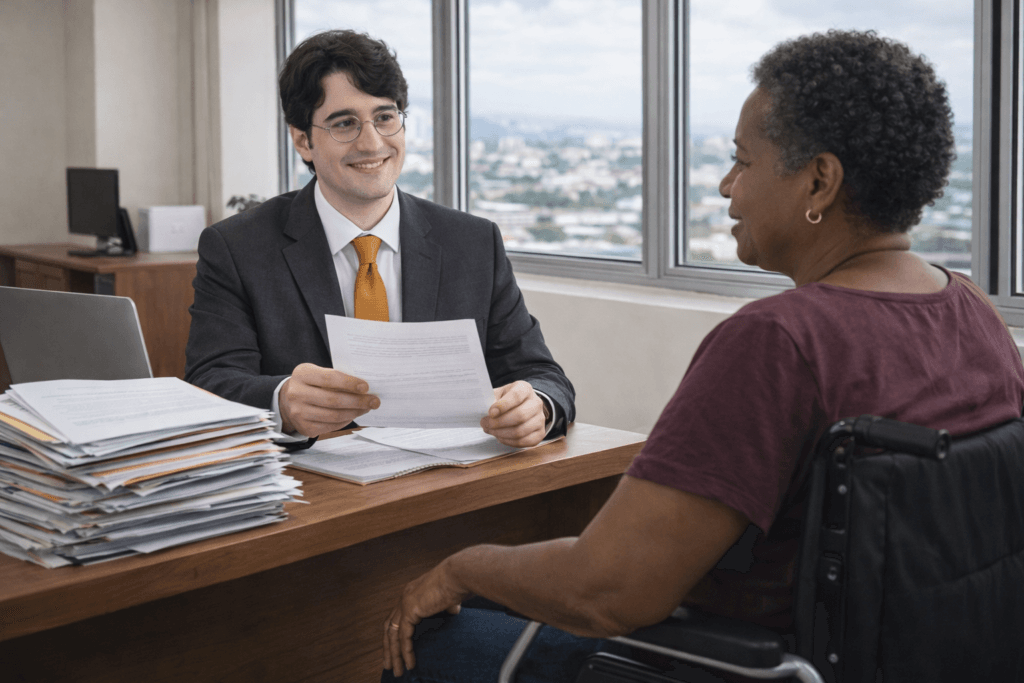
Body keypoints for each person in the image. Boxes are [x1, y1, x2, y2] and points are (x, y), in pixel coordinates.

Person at [379, 30, 1024, 682]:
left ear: (820, 182)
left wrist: (459, 568)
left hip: (728, 665)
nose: (725, 186)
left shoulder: (780, 342)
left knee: (440, 640)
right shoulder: (975, 312)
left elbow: (606, 589)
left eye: (743, 161)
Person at [184, 30, 574, 448]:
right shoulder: (237, 248)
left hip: (452, 477)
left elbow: (543, 376)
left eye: (385, 117)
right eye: (344, 123)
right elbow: (211, 381)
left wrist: (537, 406)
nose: (371, 143)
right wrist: (281, 403)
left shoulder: (473, 243)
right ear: (302, 141)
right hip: (312, 481)